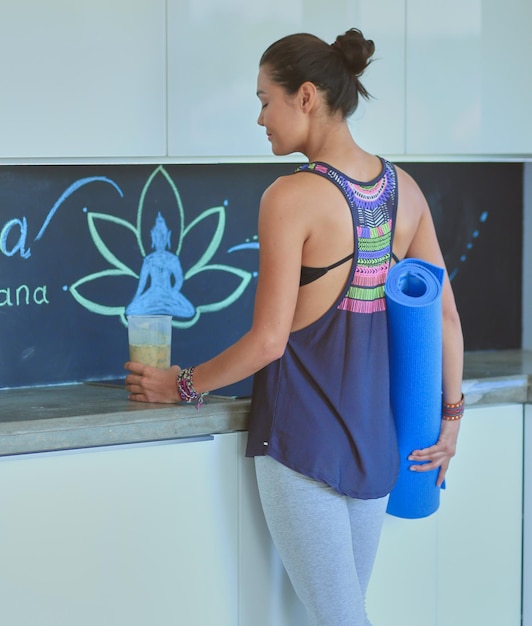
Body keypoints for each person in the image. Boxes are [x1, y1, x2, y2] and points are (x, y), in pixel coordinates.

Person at [125, 28, 464, 626]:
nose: (260, 119)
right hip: (375, 451)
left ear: (305, 96)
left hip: (301, 448)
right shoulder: (404, 191)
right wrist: (452, 418)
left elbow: (268, 341)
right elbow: (445, 312)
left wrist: (179, 384)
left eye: (264, 100)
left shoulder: (290, 196)